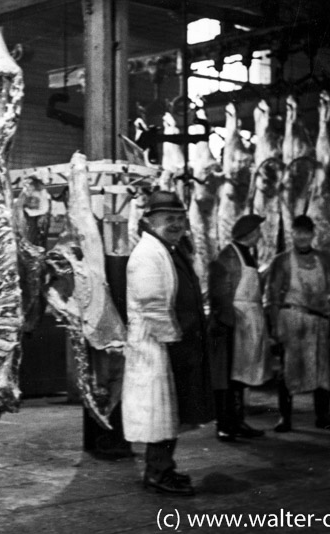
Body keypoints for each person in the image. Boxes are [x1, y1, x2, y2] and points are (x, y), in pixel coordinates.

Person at [122, 190, 213, 496]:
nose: (175, 224)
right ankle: (158, 473)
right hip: (157, 345)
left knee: (167, 413)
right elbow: (152, 304)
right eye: (168, 219)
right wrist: (172, 340)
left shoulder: (169, 249)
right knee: (158, 414)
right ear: (150, 221)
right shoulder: (148, 254)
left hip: (172, 344)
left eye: (179, 218)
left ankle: (164, 468)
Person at [265, 215, 330, 433]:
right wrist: (275, 328)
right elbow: (272, 297)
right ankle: (285, 417)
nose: (302, 237)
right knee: (288, 370)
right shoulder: (281, 261)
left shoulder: (323, 259)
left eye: (306, 233)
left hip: (319, 321)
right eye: (298, 232)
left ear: (313, 234)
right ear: (292, 233)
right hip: (291, 320)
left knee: (322, 371)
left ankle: (323, 415)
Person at [208, 214, 271, 442]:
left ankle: (237, 421)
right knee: (226, 378)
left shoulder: (246, 254)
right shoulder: (228, 256)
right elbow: (219, 293)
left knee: (240, 378)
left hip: (247, 322)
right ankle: (224, 425)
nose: (260, 235)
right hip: (230, 325)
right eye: (258, 231)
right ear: (251, 233)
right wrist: (230, 324)